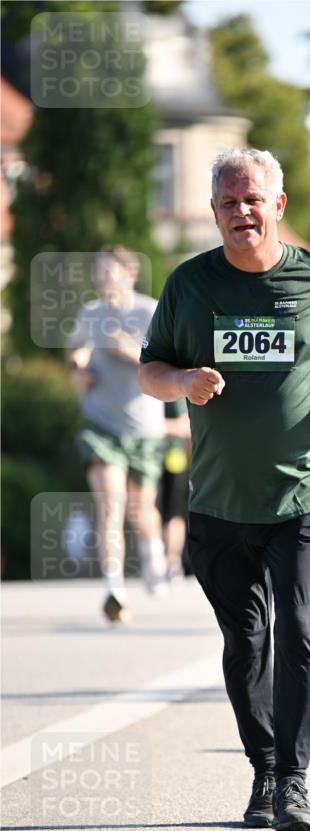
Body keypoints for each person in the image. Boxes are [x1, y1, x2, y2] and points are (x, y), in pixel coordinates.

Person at [139, 147, 310, 831]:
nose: (240, 212)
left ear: (277, 204)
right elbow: (150, 369)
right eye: (228, 202)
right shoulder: (189, 285)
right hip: (219, 501)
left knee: (298, 623)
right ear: (213, 211)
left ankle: (295, 783)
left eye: (252, 199)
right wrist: (182, 382)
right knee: (246, 642)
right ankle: (266, 771)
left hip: (304, 490)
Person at [67, 246, 167, 625]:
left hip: (143, 428)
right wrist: (77, 369)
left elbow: (168, 360)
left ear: (129, 274)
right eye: (98, 271)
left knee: (141, 511)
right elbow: (75, 348)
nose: (101, 277)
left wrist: (131, 350)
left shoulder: (149, 311)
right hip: (101, 425)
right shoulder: (91, 313)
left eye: (108, 271)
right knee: (111, 504)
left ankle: (153, 551)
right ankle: (114, 589)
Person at [157, 398, 191, 582]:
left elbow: (186, 425)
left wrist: (154, 425)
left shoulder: (174, 395)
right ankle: (157, 561)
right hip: (148, 458)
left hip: (173, 459)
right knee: (152, 511)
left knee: (173, 514)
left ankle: (173, 563)